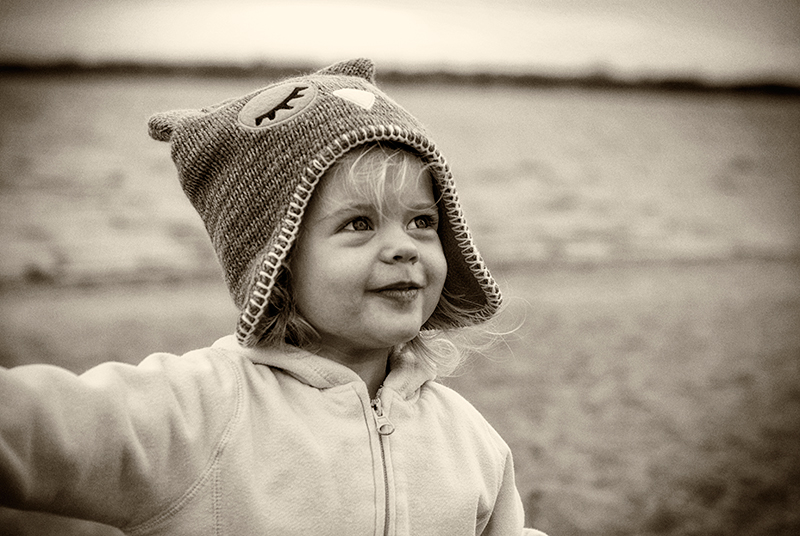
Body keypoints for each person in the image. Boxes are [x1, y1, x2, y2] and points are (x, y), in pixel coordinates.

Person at [0, 58, 547, 535]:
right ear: (277, 262)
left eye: (422, 222)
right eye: (359, 223)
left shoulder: (470, 439)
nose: (403, 247)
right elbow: (43, 427)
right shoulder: (205, 411)